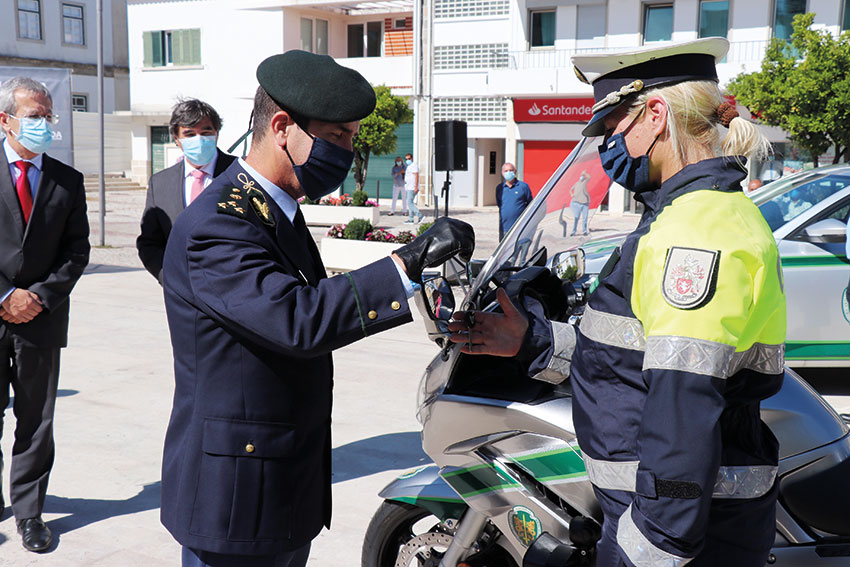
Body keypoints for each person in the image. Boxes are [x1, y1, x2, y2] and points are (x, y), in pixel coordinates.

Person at [448, 38, 785, 567]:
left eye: (611, 130)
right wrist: (534, 341)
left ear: (655, 114)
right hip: (679, 519)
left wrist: (645, 551)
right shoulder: (684, 215)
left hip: (677, 533)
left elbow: (683, 410)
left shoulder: (695, 234)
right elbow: (635, 354)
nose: (607, 148)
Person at [159, 50, 473, 567]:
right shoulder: (220, 224)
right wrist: (404, 265)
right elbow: (297, 319)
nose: (348, 153)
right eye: (336, 137)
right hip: (236, 495)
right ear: (283, 127)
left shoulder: (273, 209)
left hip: (278, 482)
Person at [0, 77, 90, 552]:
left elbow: (77, 250)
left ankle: (30, 513)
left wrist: (36, 296)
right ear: (5, 120)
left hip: (42, 317)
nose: (43, 124)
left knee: (36, 421)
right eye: (33, 116)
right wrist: (3, 297)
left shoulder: (66, 180)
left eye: (47, 116)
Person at [136, 98, 236, 283]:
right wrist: (167, 277)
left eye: (206, 132)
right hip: (182, 295)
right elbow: (149, 242)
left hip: (235, 289)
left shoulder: (240, 174)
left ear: (216, 133)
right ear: (177, 139)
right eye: (189, 134)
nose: (199, 139)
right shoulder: (160, 184)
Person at [496, 162, 533, 240]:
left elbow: (530, 204)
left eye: (511, 170)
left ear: (515, 172)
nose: (508, 173)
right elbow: (499, 204)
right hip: (504, 228)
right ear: (502, 173)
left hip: (520, 228)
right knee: (505, 251)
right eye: (506, 171)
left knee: (520, 250)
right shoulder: (500, 188)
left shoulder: (523, 187)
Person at [403, 152, 424, 224]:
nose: (407, 160)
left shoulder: (414, 165)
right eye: (406, 159)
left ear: (412, 158)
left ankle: (420, 216)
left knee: (409, 202)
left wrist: (416, 187)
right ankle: (411, 219)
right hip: (409, 187)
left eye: (409, 159)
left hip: (412, 187)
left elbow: (417, 176)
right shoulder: (409, 166)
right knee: (410, 202)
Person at [569, 170, 591, 236]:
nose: (581, 177)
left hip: (585, 203)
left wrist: (585, 173)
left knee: (585, 218)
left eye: (582, 176)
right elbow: (570, 190)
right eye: (581, 176)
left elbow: (589, 177)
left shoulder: (584, 182)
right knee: (576, 217)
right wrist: (571, 194)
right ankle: (574, 231)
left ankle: (584, 231)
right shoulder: (577, 183)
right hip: (577, 203)